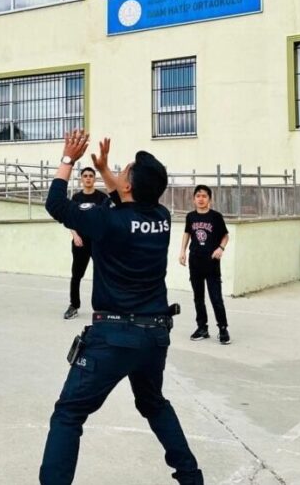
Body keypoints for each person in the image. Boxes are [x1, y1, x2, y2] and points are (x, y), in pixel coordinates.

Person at [39, 131, 203, 485]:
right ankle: (191, 478)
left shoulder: (106, 221)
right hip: (155, 334)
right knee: (153, 403)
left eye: (123, 171)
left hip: (115, 336)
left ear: (128, 187)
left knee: (68, 413)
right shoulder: (161, 216)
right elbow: (126, 196)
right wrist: (103, 170)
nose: (117, 173)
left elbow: (55, 204)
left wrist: (69, 159)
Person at [178, 185, 231, 344]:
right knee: (198, 297)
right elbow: (187, 233)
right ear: (194, 199)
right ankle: (202, 327)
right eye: (198, 196)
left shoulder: (216, 217)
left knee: (216, 297)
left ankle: (223, 328)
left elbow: (225, 236)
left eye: (204, 196)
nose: (201, 199)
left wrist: (221, 248)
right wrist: (182, 251)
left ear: (210, 199)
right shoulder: (190, 217)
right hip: (195, 261)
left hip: (212, 262)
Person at [64, 167, 109, 320]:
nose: (88, 178)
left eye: (91, 176)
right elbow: (69, 219)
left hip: (97, 243)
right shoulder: (76, 198)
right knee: (76, 274)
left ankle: (103, 307)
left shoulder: (102, 198)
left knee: (102, 275)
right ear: (81, 179)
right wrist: (75, 235)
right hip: (80, 243)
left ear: (94, 179)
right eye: (85, 176)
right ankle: (73, 305)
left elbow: (106, 220)